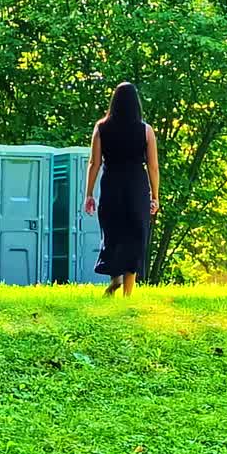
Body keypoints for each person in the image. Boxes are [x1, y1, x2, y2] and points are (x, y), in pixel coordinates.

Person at [84, 82, 160, 297]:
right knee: (136, 235)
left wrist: (89, 194)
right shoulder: (146, 131)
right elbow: (153, 166)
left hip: (111, 186)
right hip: (136, 186)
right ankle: (127, 292)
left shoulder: (101, 127)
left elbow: (94, 163)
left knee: (113, 233)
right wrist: (155, 196)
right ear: (136, 104)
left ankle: (114, 278)